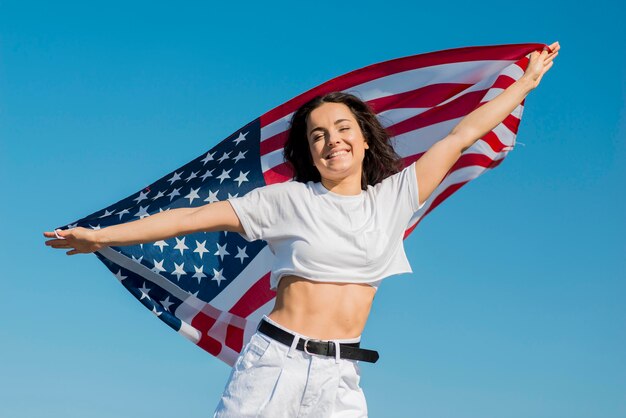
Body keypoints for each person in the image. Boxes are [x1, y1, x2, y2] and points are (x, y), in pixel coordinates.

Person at [44, 42, 559, 417]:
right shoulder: (287, 201)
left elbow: (463, 133)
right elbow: (189, 218)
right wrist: (100, 237)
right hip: (274, 365)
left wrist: (526, 84)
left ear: (362, 139)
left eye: (341, 129)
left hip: (342, 378)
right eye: (317, 136)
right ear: (308, 151)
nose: (331, 141)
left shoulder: (396, 198)